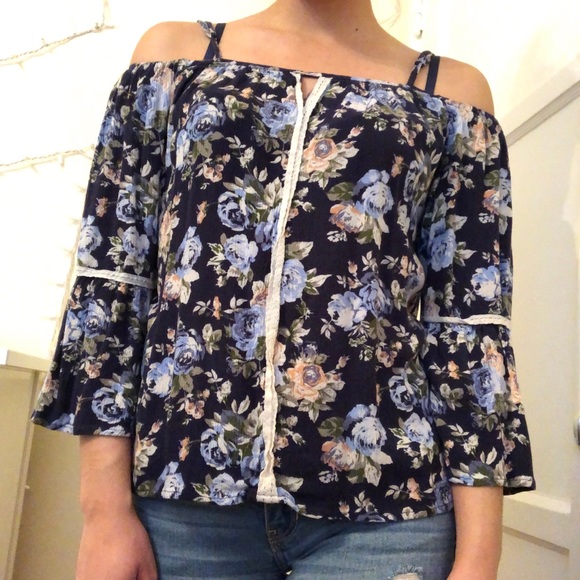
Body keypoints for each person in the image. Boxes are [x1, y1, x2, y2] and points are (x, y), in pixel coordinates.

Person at [31, 1, 535, 578]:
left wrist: (479, 556)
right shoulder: (175, 57)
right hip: (183, 498)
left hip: (389, 513)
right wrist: (102, 512)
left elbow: (469, 326)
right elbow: (115, 274)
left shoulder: (454, 96)